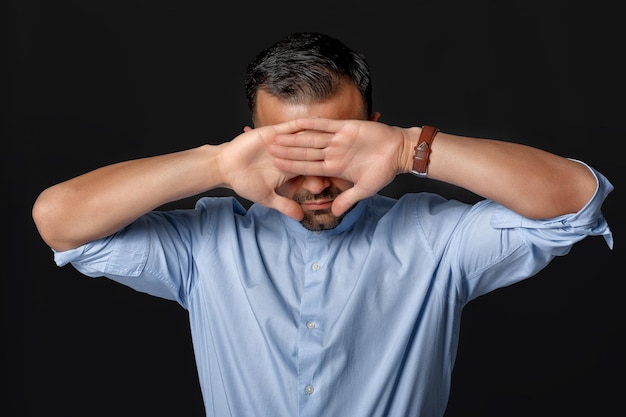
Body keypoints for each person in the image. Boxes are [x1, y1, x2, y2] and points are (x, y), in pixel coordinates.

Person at [32, 31, 613, 417]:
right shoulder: (206, 244)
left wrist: (412, 148)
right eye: (289, 155)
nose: (314, 183)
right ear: (250, 142)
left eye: (334, 151)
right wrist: (214, 164)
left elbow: (576, 200)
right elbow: (60, 220)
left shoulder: (436, 241)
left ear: (374, 131)